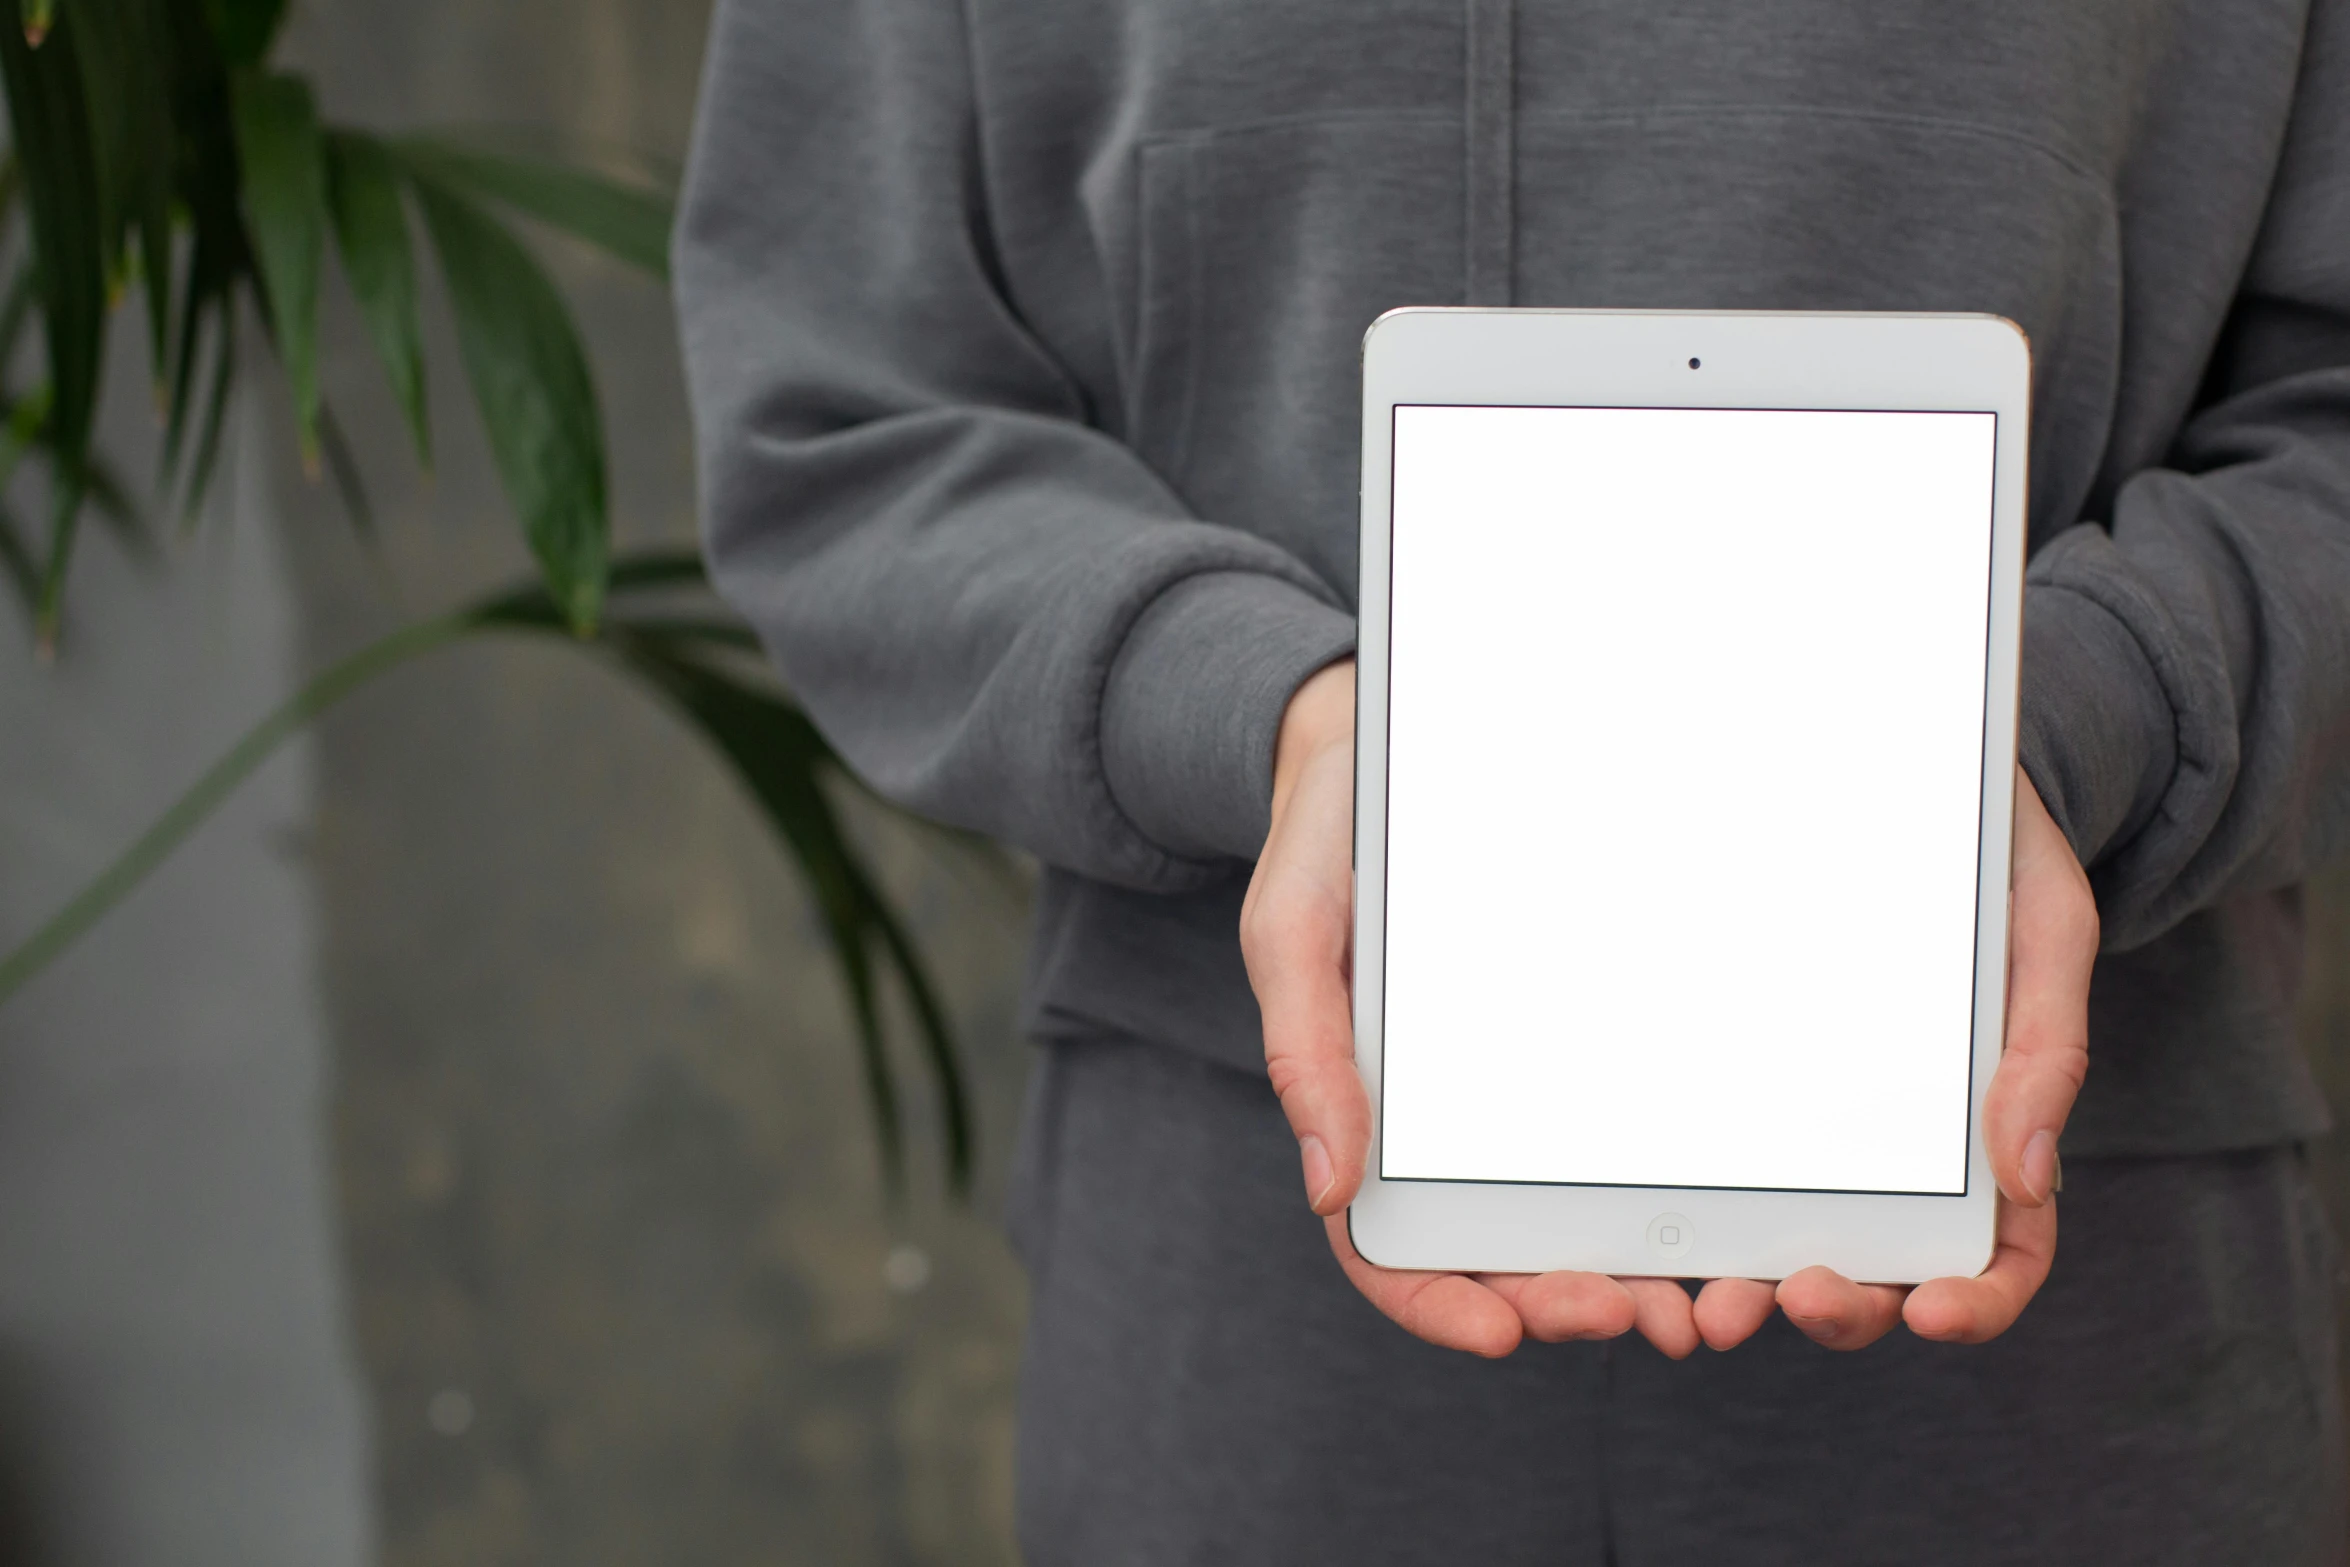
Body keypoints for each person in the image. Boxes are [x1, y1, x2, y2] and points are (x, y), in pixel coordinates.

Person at [676, 0, 2350, 1559]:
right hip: (1246, 1299)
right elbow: (842, 418)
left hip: (2066, 1301)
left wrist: (2066, 716)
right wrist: (1266, 714)